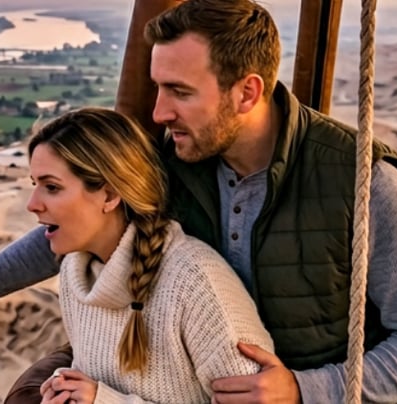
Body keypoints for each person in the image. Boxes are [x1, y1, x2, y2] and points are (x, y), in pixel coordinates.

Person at [0, 1, 397, 403]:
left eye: (179, 92)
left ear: (247, 91)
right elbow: (75, 222)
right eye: (157, 87)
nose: (157, 112)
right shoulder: (176, 157)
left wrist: (306, 391)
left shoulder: (363, 182)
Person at [26, 107, 274, 402]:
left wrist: (103, 400)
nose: (32, 204)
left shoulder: (195, 281)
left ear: (109, 195)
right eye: (35, 185)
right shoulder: (74, 275)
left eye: (51, 187)